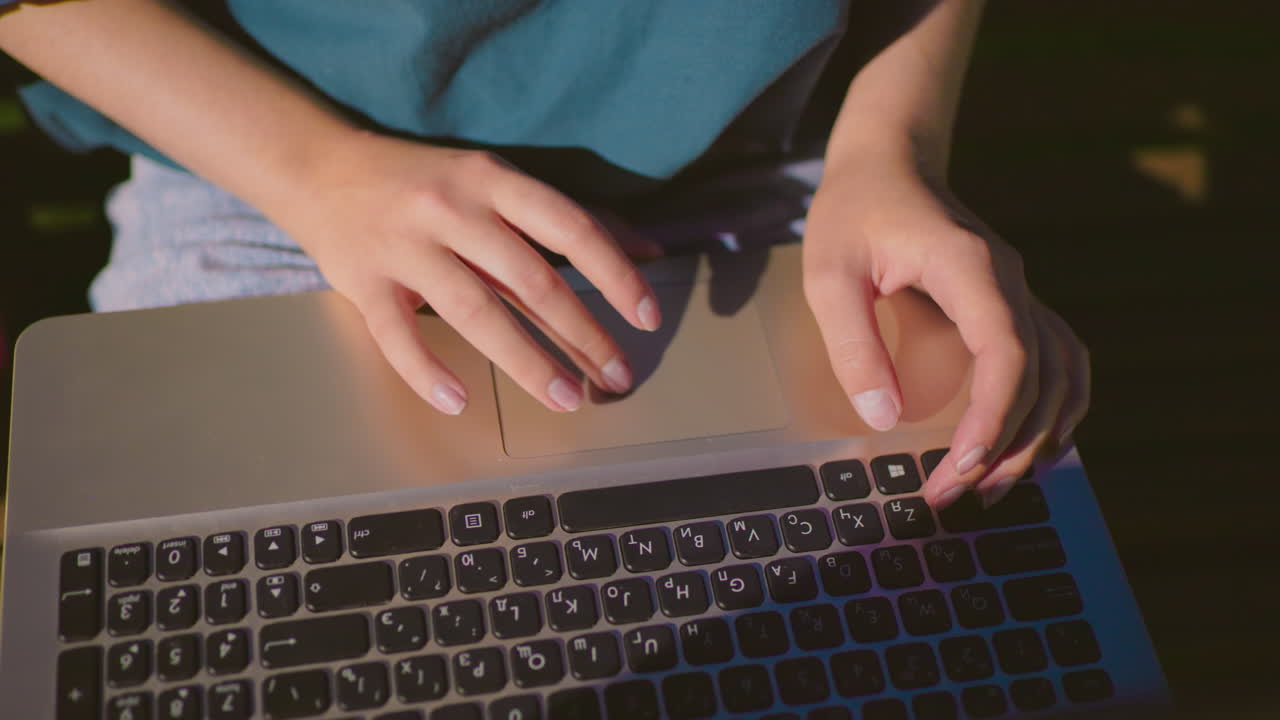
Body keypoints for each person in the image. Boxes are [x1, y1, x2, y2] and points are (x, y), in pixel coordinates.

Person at [0, 0, 1088, 510]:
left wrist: (893, 147)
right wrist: (318, 173)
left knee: (929, 557)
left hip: (771, 151)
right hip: (261, 155)